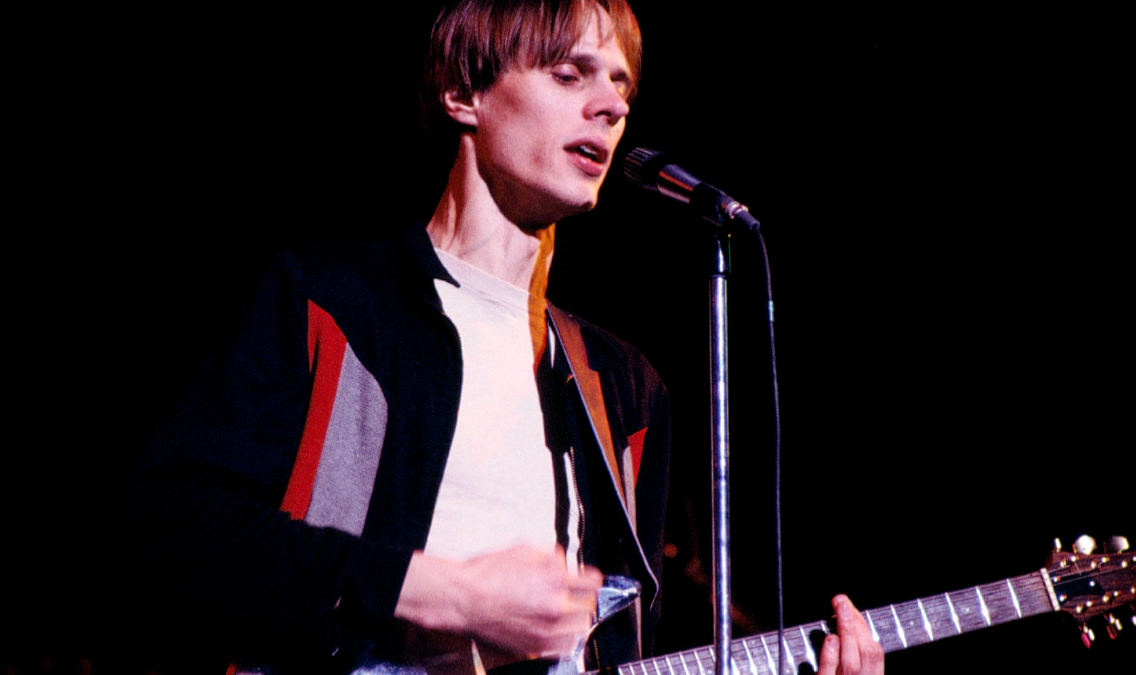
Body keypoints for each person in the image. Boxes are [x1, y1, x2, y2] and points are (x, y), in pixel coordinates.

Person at [123, 2, 883, 675]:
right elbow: (173, 527)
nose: (610, 107)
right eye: (569, 75)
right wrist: (448, 593)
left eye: (619, 86)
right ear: (464, 93)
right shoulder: (328, 303)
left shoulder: (623, 388)